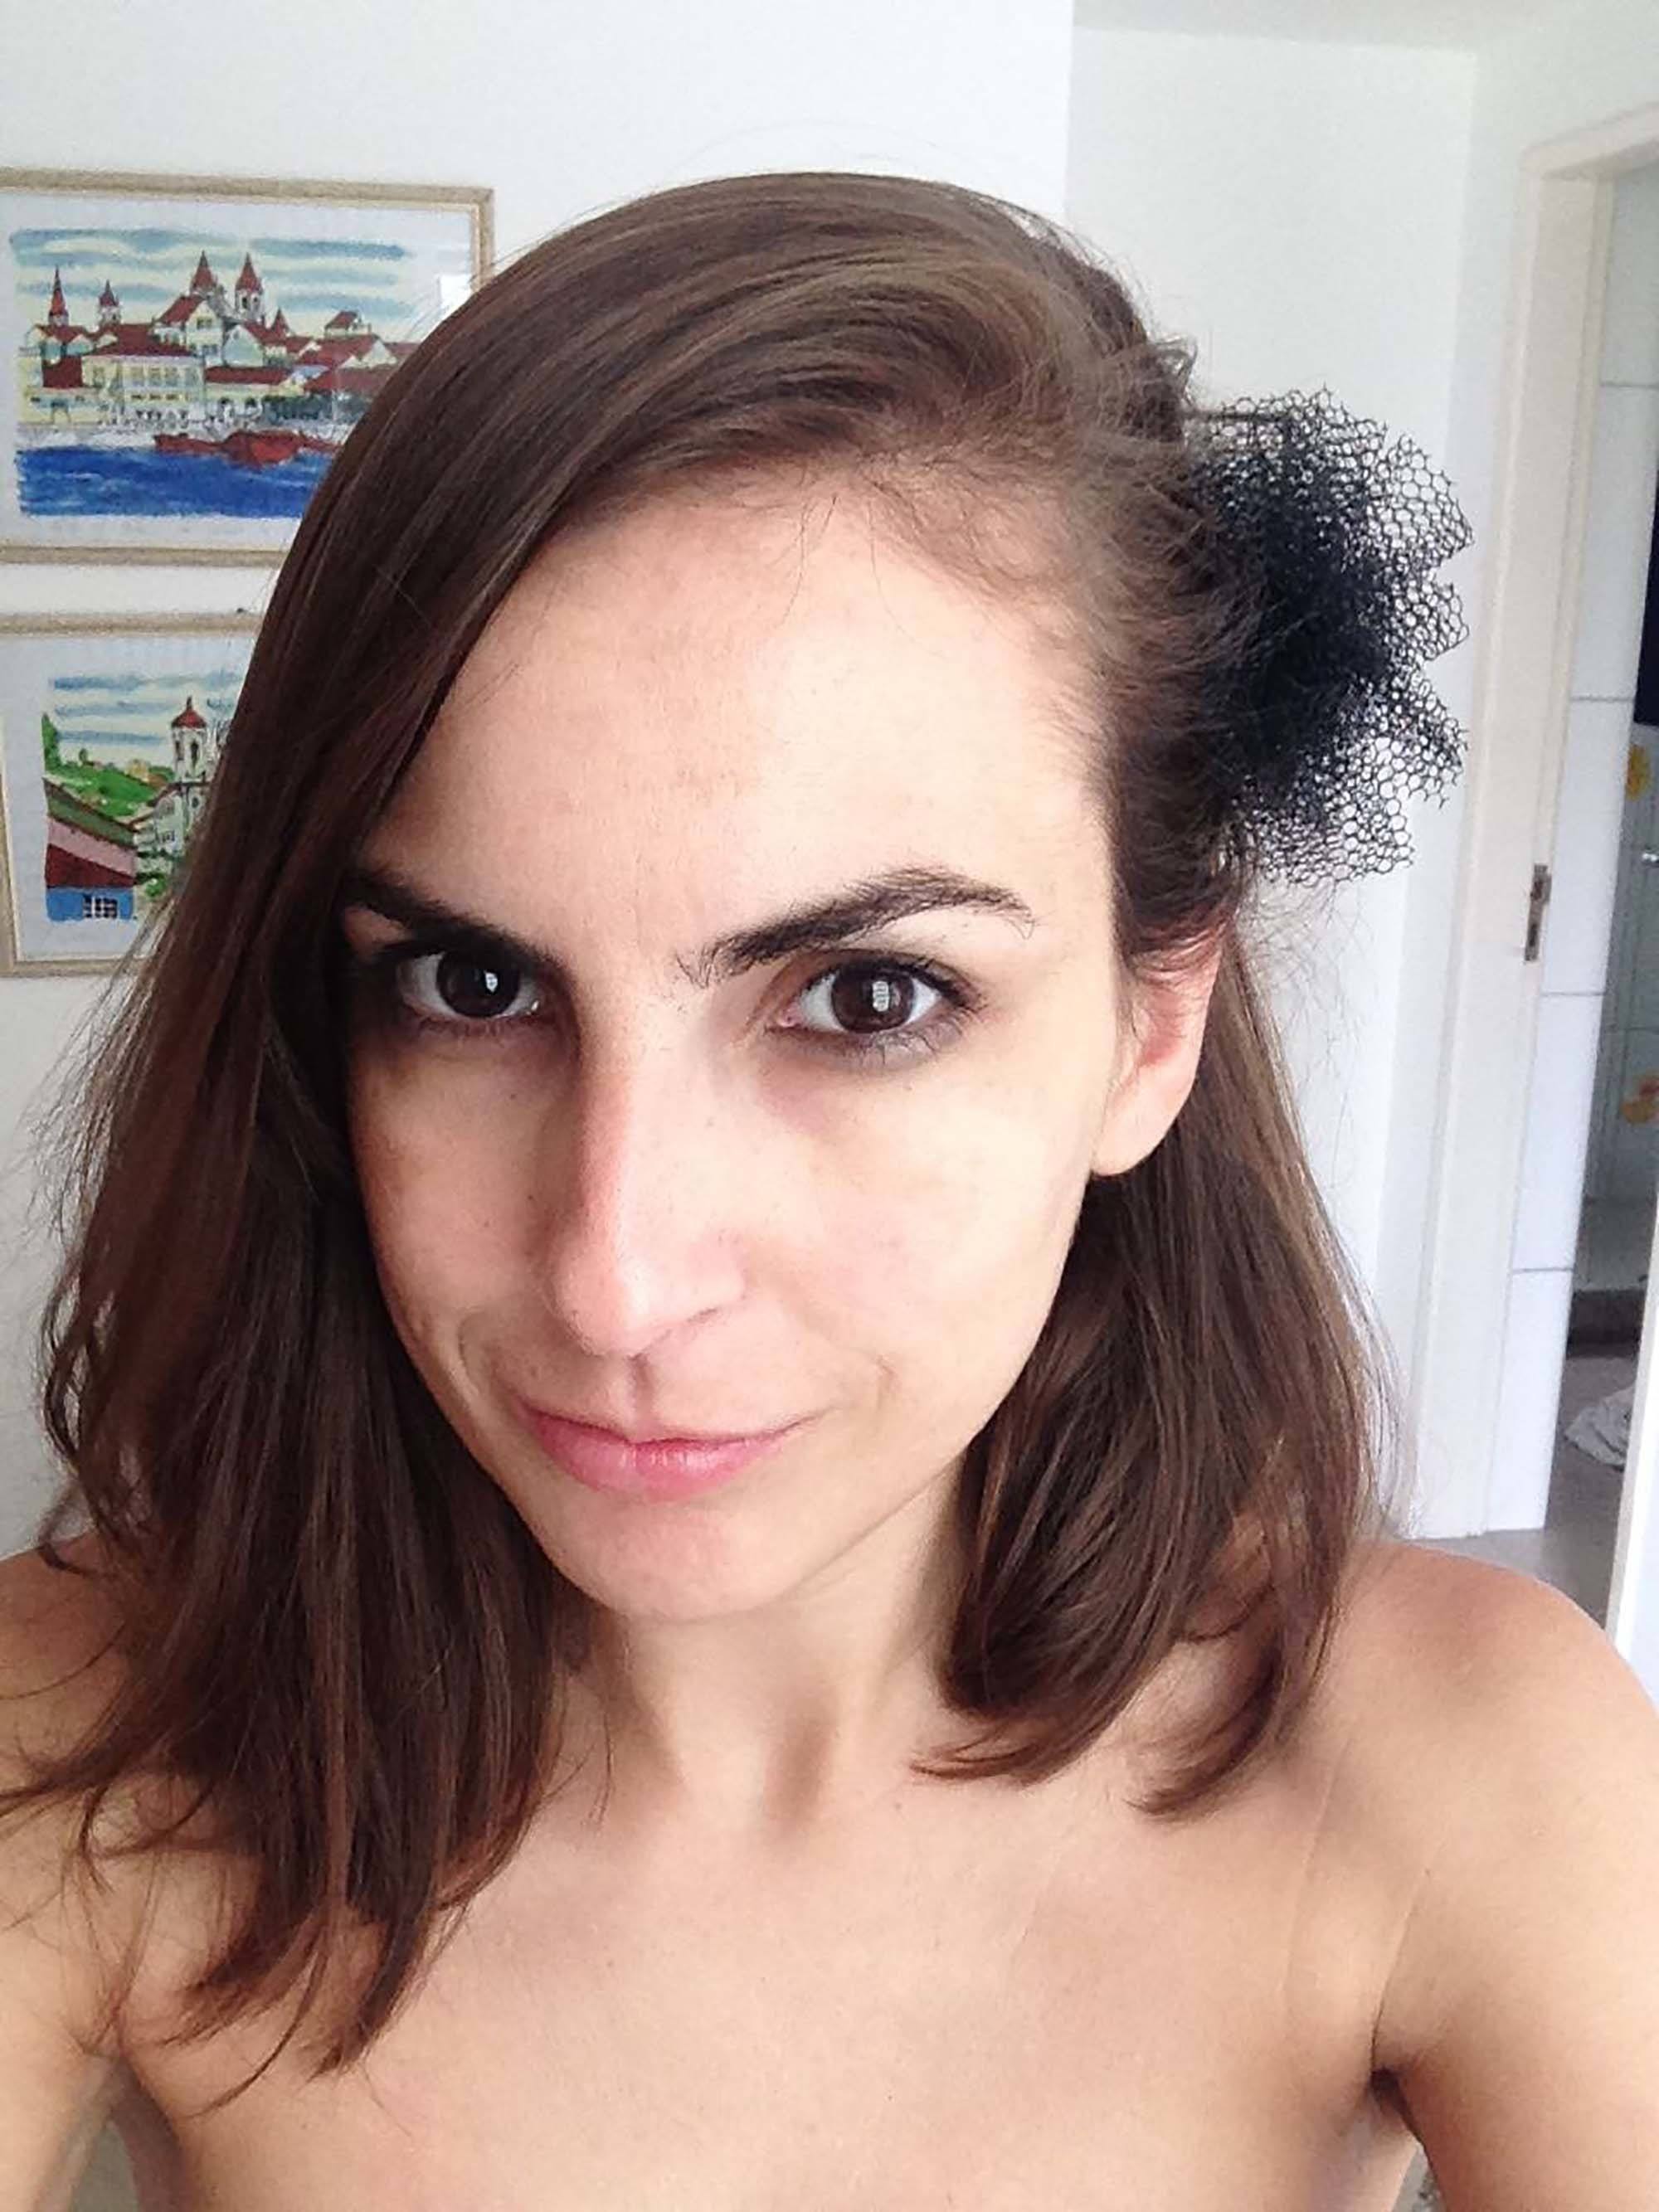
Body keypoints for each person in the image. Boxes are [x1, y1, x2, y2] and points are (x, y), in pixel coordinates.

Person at [2, 169, 1656, 2212]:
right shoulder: (79, 1737)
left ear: (1149, 1023)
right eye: (471, 984)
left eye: (868, 995)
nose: (616, 1276)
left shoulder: (1458, 1763)